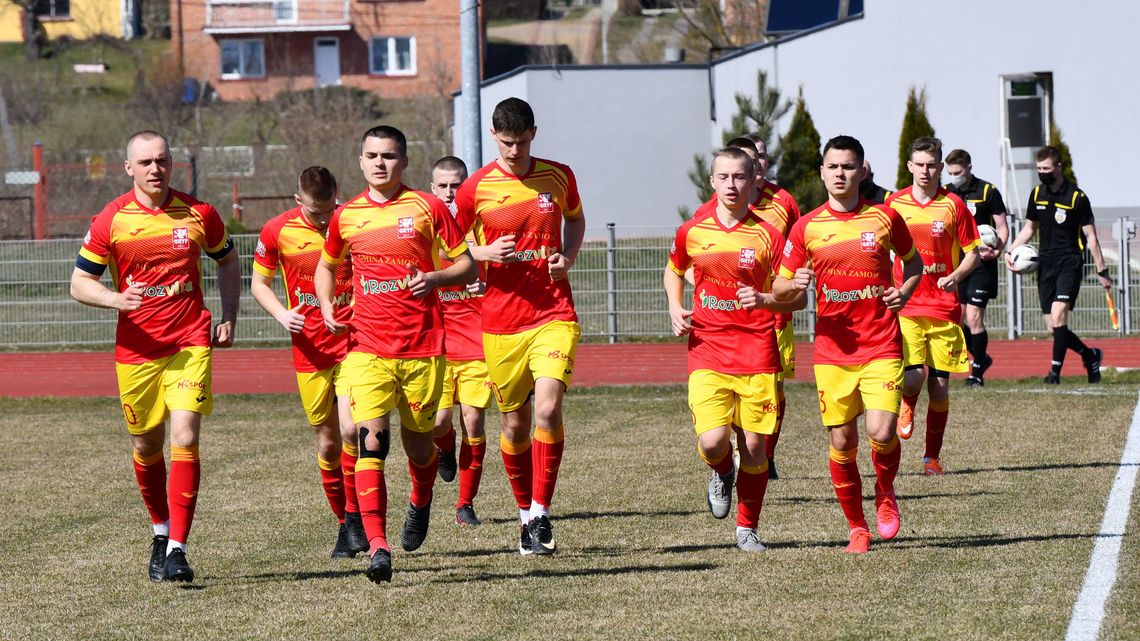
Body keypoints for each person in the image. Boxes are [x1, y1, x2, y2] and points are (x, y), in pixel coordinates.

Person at [70, 130, 240, 582]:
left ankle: (179, 550)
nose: (154, 169)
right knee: (146, 444)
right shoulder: (112, 219)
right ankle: (160, 531)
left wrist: (228, 315)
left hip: (189, 340)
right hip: (137, 350)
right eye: (145, 162)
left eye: (162, 161)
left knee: (184, 436)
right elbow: (79, 283)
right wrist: (115, 300)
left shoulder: (199, 213)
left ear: (172, 164)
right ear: (129, 168)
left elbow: (227, 258)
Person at [315, 125, 476, 583]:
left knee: (420, 444)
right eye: (372, 155)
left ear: (404, 162)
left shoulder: (425, 208)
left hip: (423, 348)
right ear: (361, 161)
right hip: (368, 349)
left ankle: (421, 502)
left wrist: (436, 279)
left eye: (389, 155)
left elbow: (466, 265)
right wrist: (327, 305)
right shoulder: (346, 216)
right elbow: (327, 268)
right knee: (371, 442)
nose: (380, 163)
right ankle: (378, 547)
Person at [772, 135, 923, 554]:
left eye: (848, 166)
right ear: (822, 172)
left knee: (882, 428)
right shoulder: (806, 227)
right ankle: (857, 527)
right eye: (833, 167)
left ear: (863, 171)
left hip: (881, 343)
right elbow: (781, 284)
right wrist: (792, 283)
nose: (840, 174)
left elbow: (913, 261)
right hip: (832, 352)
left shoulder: (884, 217)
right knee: (842, 442)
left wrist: (905, 291)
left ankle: (886, 490)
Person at [454, 97, 585, 556]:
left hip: (553, 312)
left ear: (534, 133)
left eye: (522, 141)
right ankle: (525, 515)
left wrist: (566, 259)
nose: (514, 151)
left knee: (548, 409)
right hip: (501, 320)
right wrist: (483, 256)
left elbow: (575, 219)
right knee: (514, 425)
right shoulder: (475, 188)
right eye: (507, 142)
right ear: (494, 136)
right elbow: (451, 247)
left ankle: (543, 510)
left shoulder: (558, 175)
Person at [664, 147, 806, 551]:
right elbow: (674, 269)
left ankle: (747, 528)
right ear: (712, 181)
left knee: (756, 446)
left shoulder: (768, 235)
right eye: (723, 177)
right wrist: (676, 306)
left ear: (753, 181)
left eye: (739, 177)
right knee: (712, 442)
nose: (731, 184)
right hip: (707, 347)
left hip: (757, 349)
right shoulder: (692, 230)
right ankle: (722, 472)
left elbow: (796, 298)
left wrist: (765, 301)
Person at [250, 166, 367, 558]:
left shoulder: (351, 219)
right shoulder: (276, 231)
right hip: (310, 349)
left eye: (329, 208)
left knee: (352, 432)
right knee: (329, 442)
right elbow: (259, 284)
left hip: (354, 342)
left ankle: (355, 516)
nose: (324, 218)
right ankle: (343, 524)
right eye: (316, 213)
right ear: (298, 200)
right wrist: (283, 315)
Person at [887, 137, 981, 477]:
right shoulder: (893, 204)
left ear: (940, 167)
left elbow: (974, 251)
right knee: (912, 378)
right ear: (910, 166)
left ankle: (931, 458)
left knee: (940, 389)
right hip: (908, 304)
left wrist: (955, 276)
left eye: (932, 165)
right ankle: (907, 405)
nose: (926, 171)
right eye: (920, 164)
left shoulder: (954, 204)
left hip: (944, 307)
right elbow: (880, 248)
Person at [1004, 145, 1110, 384]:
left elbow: (1091, 237)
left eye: (1046, 168)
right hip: (1046, 263)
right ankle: (1089, 355)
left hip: (1070, 262)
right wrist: (1010, 251)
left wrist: (1101, 270)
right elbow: (1030, 229)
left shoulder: (1076, 197)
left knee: (1059, 313)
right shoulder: (1037, 194)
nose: (1042, 172)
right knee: (1053, 327)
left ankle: (1054, 373)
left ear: (1058, 168)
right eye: (1039, 168)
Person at [427, 156, 492, 527]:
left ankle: (465, 504)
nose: (451, 193)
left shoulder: (484, 228)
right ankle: (444, 446)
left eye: (457, 185)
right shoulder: (425, 227)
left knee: (475, 422)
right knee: (437, 423)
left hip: (477, 344)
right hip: (437, 345)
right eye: (444, 186)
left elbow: (504, 271)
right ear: (433, 188)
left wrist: (486, 284)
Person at [741, 133, 801, 480]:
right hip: (733, 317)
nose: (759, 163)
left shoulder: (784, 202)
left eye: (762, 156)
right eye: (752, 157)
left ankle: (768, 453)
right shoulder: (725, 202)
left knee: (774, 390)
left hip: (775, 313)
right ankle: (741, 450)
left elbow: (800, 248)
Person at [945, 149, 1008, 387]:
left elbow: (1002, 226)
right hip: (957, 264)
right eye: (950, 173)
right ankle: (983, 358)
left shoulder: (987, 191)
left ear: (969, 167)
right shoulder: (948, 193)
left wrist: (998, 250)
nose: (954, 177)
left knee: (974, 317)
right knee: (957, 320)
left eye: (958, 172)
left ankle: (977, 373)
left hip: (982, 263)